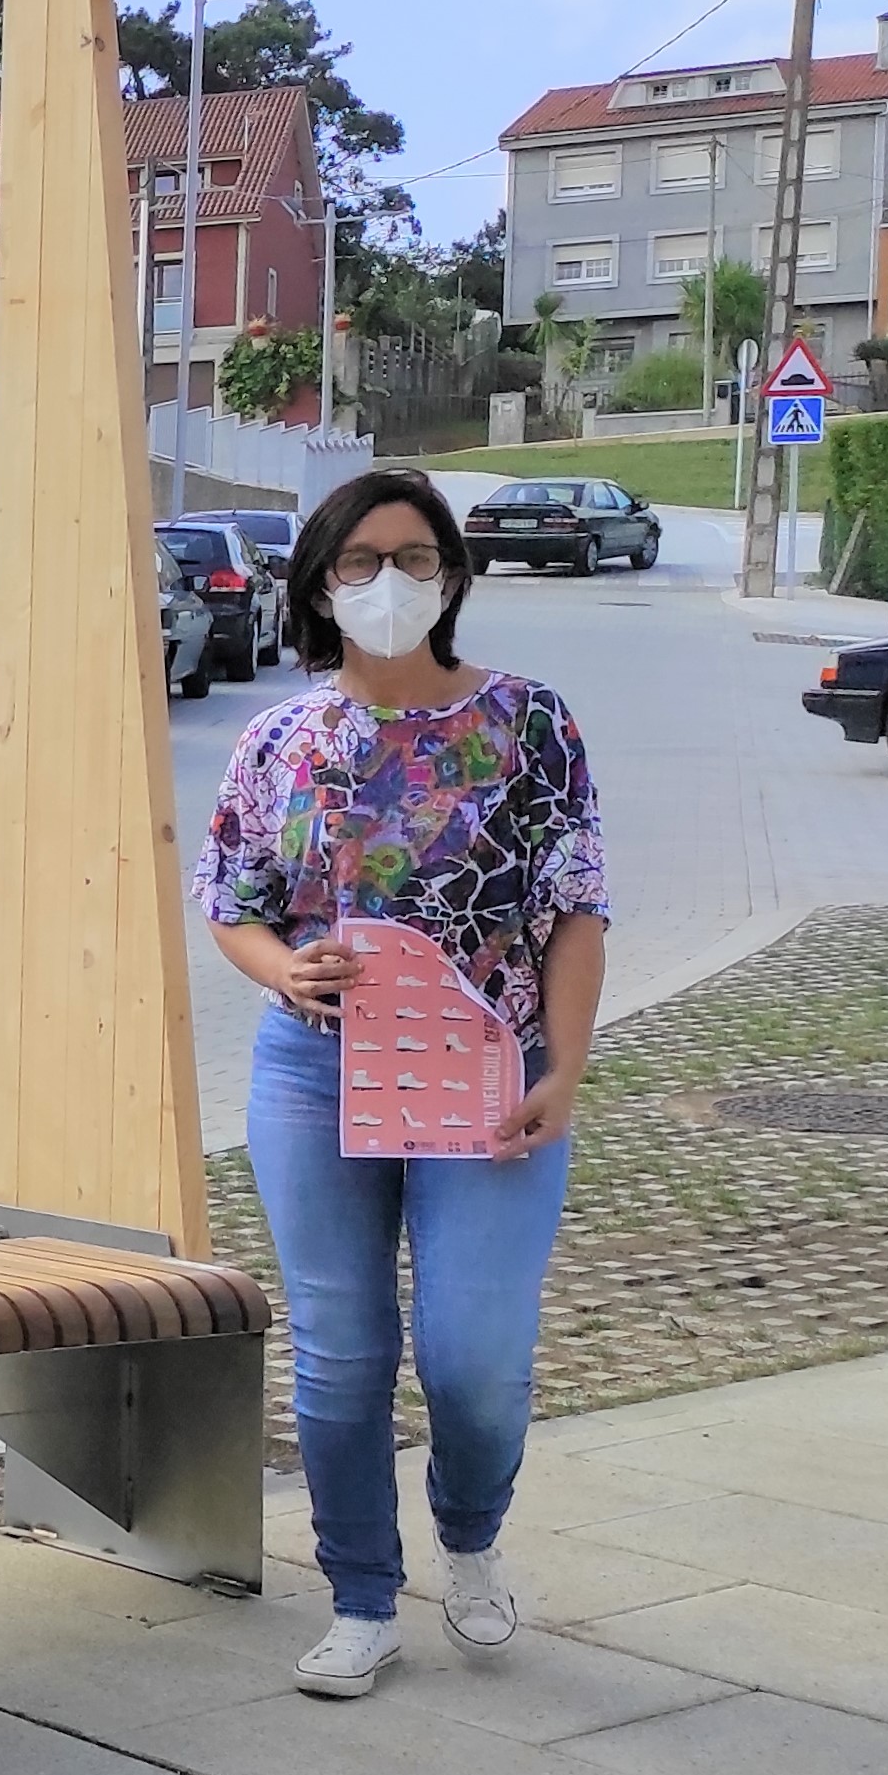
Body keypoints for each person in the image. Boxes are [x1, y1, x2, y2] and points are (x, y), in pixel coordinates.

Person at [193, 466, 606, 1699]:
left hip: (491, 1073)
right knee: (341, 1352)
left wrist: (566, 1071)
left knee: (475, 1355)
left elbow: (575, 908)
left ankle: (469, 1537)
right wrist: (284, 968)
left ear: (452, 575)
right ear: (322, 583)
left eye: (416, 558)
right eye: (363, 561)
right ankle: (362, 1595)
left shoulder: (530, 723)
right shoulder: (282, 737)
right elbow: (230, 902)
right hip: (319, 1077)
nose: (390, 582)